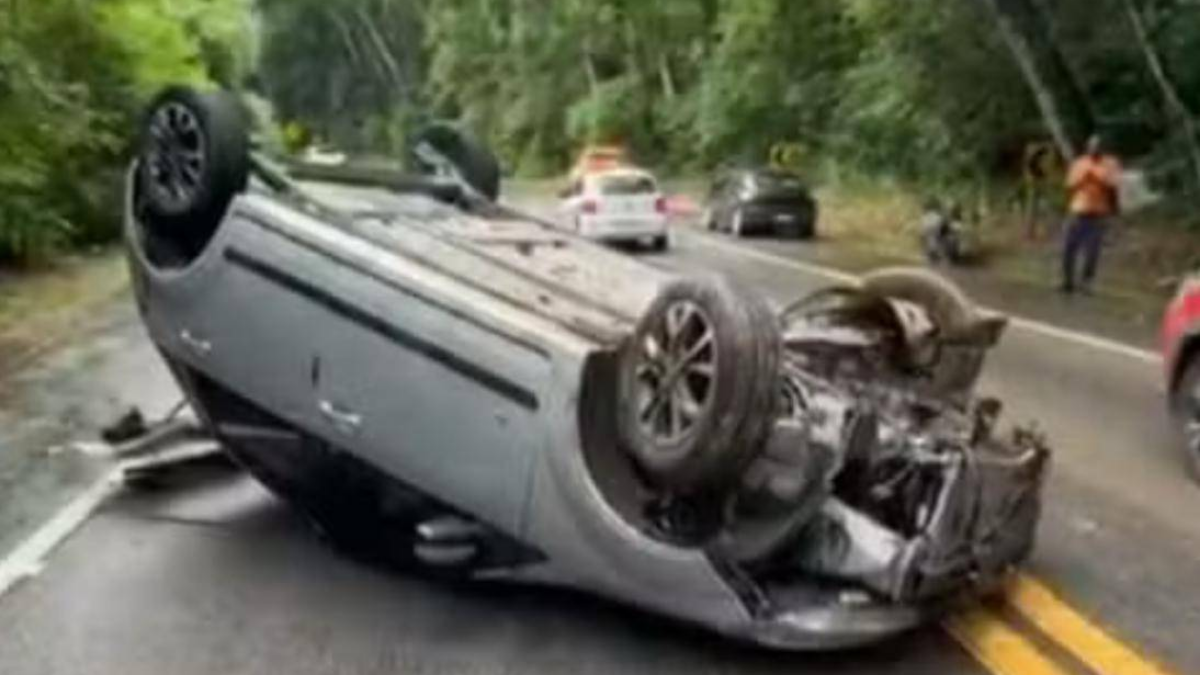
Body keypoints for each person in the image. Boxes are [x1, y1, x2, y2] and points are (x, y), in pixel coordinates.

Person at [1061, 135, 1121, 294]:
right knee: (1069, 247)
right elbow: (1070, 185)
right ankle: (1067, 281)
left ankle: (1086, 282)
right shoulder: (1079, 163)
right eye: (1092, 147)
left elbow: (1112, 185)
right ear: (1087, 148)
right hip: (1077, 210)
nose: (1095, 150)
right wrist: (1083, 178)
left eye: (1098, 147)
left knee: (1092, 250)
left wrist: (1095, 177)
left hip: (1098, 212)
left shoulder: (1110, 163)